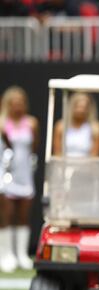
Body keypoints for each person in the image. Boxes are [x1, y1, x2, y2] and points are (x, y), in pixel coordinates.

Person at [0, 86, 39, 272]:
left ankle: (21, 254)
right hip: (5, 174)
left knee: (23, 215)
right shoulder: (1, 123)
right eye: (13, 103)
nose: (17, 106)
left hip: (25, 175)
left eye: (21, 102)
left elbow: (34, 146)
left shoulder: (31, 123)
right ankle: (5, 254)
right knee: (6, 214)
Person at [53, 92, 99, 157]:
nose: (81, 110)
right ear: (72, 107)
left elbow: (95, 155)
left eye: (84, 107)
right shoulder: (61, 126)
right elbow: (57, 153)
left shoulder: (95, 128)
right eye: (78, 106)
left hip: (86, 165)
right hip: (64, 165)